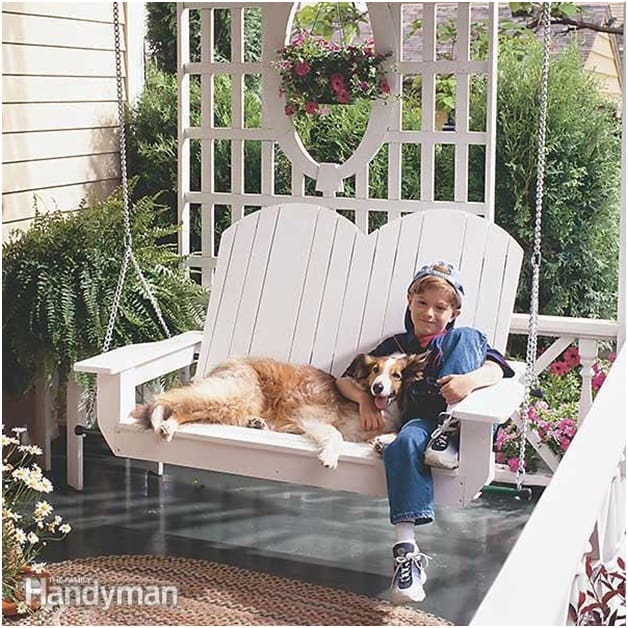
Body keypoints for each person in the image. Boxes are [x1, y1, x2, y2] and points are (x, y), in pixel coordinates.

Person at [336, 261, 514, 604]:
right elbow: (345, 378)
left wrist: (468, 381)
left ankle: (448, 430)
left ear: (453, 311)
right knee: (401, 445)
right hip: (420, 425)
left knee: (470, 335)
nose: (429, 313)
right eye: (422, 303)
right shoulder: (395, 346)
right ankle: (407, 554)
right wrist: (363, 400)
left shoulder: (460, 340)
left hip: (461, 423)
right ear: (409, 300)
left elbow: (497, 368)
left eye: (440, 307)